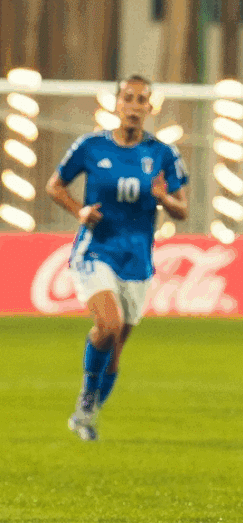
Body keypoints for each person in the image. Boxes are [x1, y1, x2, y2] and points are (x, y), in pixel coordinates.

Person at [46, 75, 189, 441]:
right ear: (117, 103)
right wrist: (79, 211)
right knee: (107, 325)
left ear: (148, 108)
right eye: (129, 98)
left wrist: (164, 197)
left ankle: (88, 412)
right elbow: (55, 185)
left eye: (142, 100)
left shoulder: (162, 153)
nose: (135, 106)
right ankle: (87, 392)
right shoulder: (91, 146)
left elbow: (182, 209)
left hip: (137, 260)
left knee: (116, 347)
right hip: (96, 250)